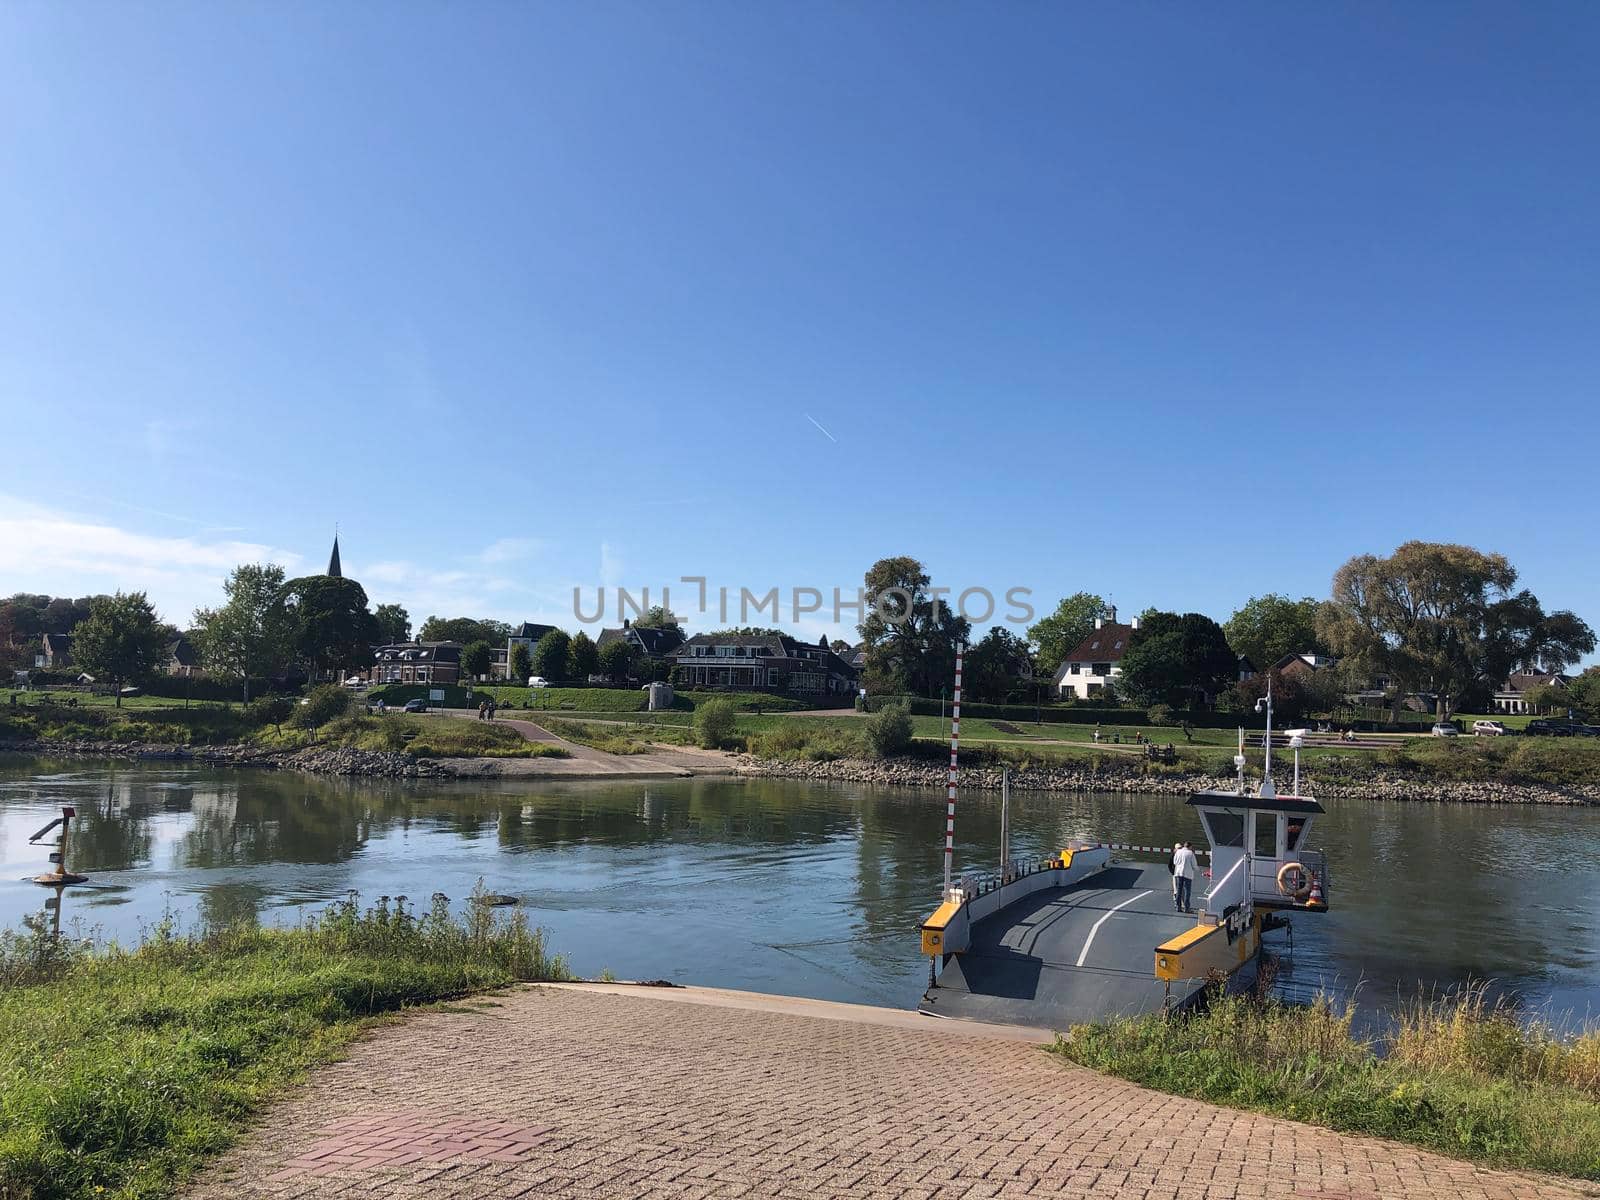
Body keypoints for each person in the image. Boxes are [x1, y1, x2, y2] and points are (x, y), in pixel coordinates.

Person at [1172, 841, 1199, 913]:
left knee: (1179, 890)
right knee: (1187, 891)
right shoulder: (1190, 853)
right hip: (1187, 874)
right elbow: (1194, 865)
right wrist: (1197, 869)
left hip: (1178, 873)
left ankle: (1178, 907)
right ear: (1190, 847)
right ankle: (1187, 908)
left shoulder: (1178, 852)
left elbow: (1174, 862)